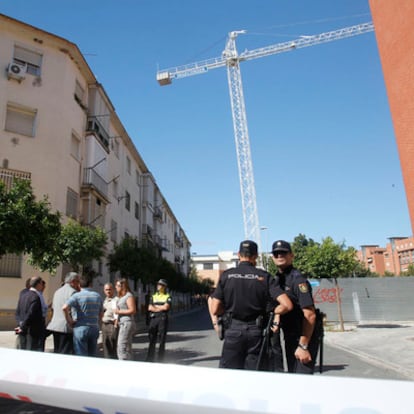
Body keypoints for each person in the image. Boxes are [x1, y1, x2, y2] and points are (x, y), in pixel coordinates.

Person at [210, 240, 293, 370]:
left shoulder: (226, 276)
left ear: (238, 255)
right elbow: (287, 305)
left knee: (230, 374)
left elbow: (215, 309)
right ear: (256, 256)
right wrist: (274, 312)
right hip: (256, 331)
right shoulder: (264, 277)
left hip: (233, 329)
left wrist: (225, 312)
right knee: (254, 374)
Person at [270, 240, 317, 374]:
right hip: (290, 335)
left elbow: (310, 314)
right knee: (292, 375)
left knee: (301, 379)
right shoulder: (279, 279)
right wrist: (277, 314)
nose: (279, 256)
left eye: (283, 253)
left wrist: (303, 345)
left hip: (301, 334)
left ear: (292, 255)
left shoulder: (298, 280)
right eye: (276, 253)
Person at [62, 274, 103, 357]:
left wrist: (69, 320)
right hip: (94, 327)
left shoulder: (76, 296)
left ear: (79, 285)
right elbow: (101, 313)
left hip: (80, 327)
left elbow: (64, 307)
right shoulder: (97, 296)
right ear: (91, 284)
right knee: (92, 354)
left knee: (81, 355)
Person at [47, 272, 80, 354]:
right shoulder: (73, 292)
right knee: (65, 352)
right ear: (73, 281)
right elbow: (74, 310)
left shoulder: (57, 291)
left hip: (55, 325)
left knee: (57, 350)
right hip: (66, 326)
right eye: (77, 281)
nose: (78, 284)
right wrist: (75, 321)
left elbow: (54, 307)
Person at [14, 276, 46, 351]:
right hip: (32, 330)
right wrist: (23, 326)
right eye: (41, 283)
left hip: (23, 328)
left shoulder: (23, 295)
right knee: (31, 351)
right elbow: (31, 313)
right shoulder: (36, 296)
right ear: (38, 284)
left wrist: (20, 324)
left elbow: (17, 312)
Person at [146, 279, 172, 362]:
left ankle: (160, 359)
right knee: (152, 339)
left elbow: (166, 307)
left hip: (162, 319)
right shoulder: (153, 296)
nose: (158, 286)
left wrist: (156, 307)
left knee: (161, 340)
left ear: (164, 287)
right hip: (154, 318)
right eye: (158, 284)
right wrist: (160, 308)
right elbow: (149, 307)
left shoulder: (167, 296)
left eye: (160, 284)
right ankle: (150, 359)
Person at [114, 278, 136, 360]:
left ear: (123, 286)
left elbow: (132, 310)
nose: (116, 287)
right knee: (127, 347)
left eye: (118, 286)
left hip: (126, 323)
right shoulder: (121, 297)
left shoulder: (128, 296)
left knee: (121, 346)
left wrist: (119, 311)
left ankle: (122, 364)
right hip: (122, 323)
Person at [101, 283, 119, 359]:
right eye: (106, 290)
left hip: (112, 325)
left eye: (110, 289)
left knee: (112, 346)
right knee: (105, 346)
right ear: (104, 291)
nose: (108, 291)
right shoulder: (104, 301)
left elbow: (117, 314)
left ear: (113, 290)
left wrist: (115, 325)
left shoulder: (116, 300)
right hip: (104, 325)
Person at [15, 278, 31, 349]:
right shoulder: (29, 293)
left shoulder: (22, 292)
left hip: (21, 320)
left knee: (21, 340)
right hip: (25, 322)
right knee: (23, 341)